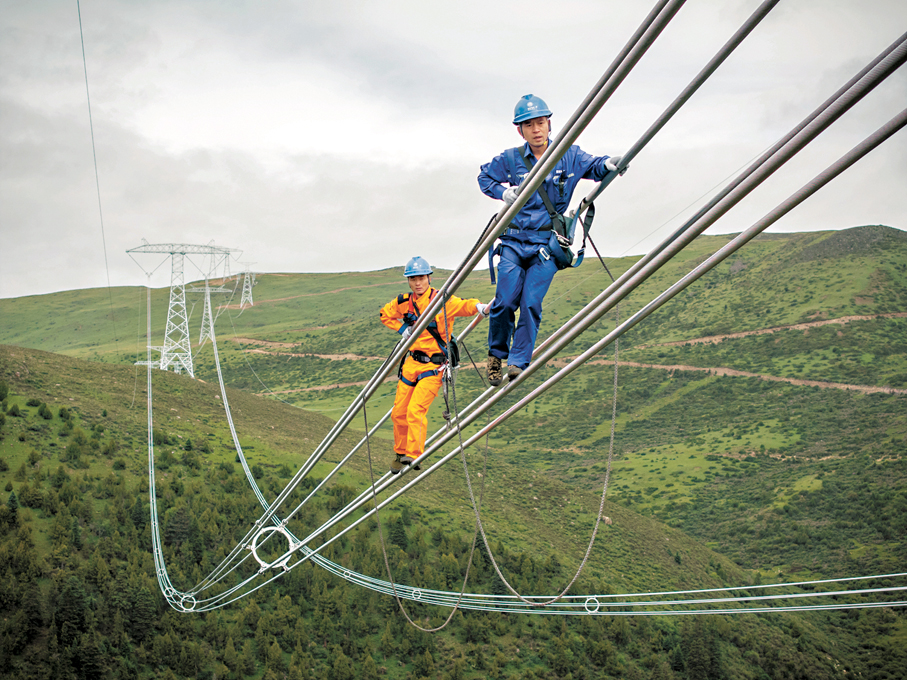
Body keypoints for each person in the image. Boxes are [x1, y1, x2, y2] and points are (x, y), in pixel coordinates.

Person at [478, 94, 626, 386]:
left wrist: (611, 163)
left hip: (547, 244)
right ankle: (496, 354)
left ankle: (518, 362)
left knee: (531, 302)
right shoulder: (511, 159)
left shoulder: (567, 154)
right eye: (529, 125)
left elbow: (595, 166)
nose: (536, 130)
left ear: (549, 124)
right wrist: (503, 193)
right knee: (505, 301)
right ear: (520, 130)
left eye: (541, 123)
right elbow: (485, 177)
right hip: (514, 241)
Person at [380, 256, 489, 474]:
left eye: (421, 278)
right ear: (408, 282)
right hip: (411, 363)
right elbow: (385, 314)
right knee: (398, 413)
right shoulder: (404, 302)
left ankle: (415, 454)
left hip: (434, 366)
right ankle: (400, 453)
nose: (417, 283)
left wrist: (480, 307)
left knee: (415, 410)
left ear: (429, 278)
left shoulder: (442, 300)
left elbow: (463, 305)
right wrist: (403, 330)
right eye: (413, 279)